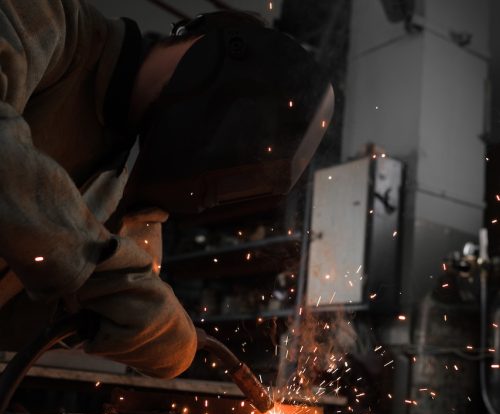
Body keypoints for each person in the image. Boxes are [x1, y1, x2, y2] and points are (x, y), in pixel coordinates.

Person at [0, 1, 333, 379]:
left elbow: (47, 312)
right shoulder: (47, 19)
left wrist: (124, 324)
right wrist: (105, 277)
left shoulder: (126, 189)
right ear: (204, 54)